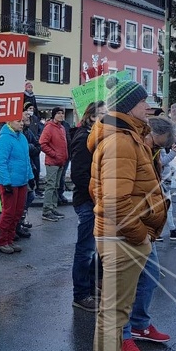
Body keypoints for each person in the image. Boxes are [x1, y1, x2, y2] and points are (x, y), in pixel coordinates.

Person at [89, 76, 166, 351]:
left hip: (123, 239)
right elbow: (113, 202)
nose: (147, 107)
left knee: (117, 316)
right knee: (112, 317)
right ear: (128, 105)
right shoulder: (120, 140)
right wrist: (142, 234)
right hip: (123, 240)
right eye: (142, 101)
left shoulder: (128, 135)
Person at [120, 115, 174, 351]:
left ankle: (140, 325)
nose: (160, 150)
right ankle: (122, 335)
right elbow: (118, 194)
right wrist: (137, 231)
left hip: (145, 226)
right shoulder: (126, 146)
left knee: (150, 276)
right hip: (128, 228)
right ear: (152, 135)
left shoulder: (149, 150)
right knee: (123, 287)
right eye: (160, 144)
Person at [69, 101, 106, 312]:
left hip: (98, 201)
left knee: (97, 249)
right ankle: (81, 294)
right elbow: (79, 175)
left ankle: (91, 286)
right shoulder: (83, 138)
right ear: (92, 117)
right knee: (85, 250)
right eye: (102, 114)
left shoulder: (99, 136)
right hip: (87, 201)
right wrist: (98, 193)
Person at [0, 112, 35, 255]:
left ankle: (10, 239)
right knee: (8, 213)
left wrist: (30, 177)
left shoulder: (22, 138)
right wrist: (6, 182)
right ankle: (2, 241)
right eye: (18, 121)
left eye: (22, 121)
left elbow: (26, 159)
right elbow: (1, 162)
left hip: (22, 182)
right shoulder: (4, 139)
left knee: (17, 213)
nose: (22, 123)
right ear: (9, 122)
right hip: (10, 183)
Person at [39, 107, 69, 222]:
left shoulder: (61, 128)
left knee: (56, 186)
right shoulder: (49, 128)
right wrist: (54, 154)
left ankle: (53, 208)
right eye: (59, 113)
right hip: (52, 162)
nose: (61, 115)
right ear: (54, 115)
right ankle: (46, 210)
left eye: (62, 113)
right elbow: (42, 143)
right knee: (50, 186)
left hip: (60, 161)